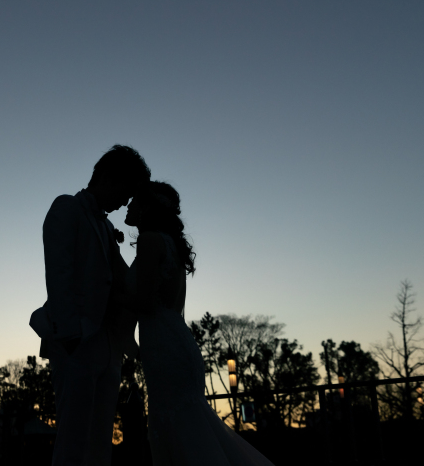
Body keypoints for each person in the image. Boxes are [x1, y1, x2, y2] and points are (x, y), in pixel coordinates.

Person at [119, 181, 276, 466]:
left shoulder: (150, 241)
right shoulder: (168, 244)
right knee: (186, 427)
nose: (128, 206)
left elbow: (143, 302)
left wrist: (105, 294)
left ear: (146, 208)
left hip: (165, 349)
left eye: (134, 201)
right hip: (172, 343)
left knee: (180, 431)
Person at [30, 145, 151, 466]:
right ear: (110, 177)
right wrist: (70, 335)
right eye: (127, 191)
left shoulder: (106, 226)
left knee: (100, 444)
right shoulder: (67, 208)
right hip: (76, 342)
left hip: (108, 347)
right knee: (73, 440)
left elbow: (121, 279)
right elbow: (59, 272)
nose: (127, 201)